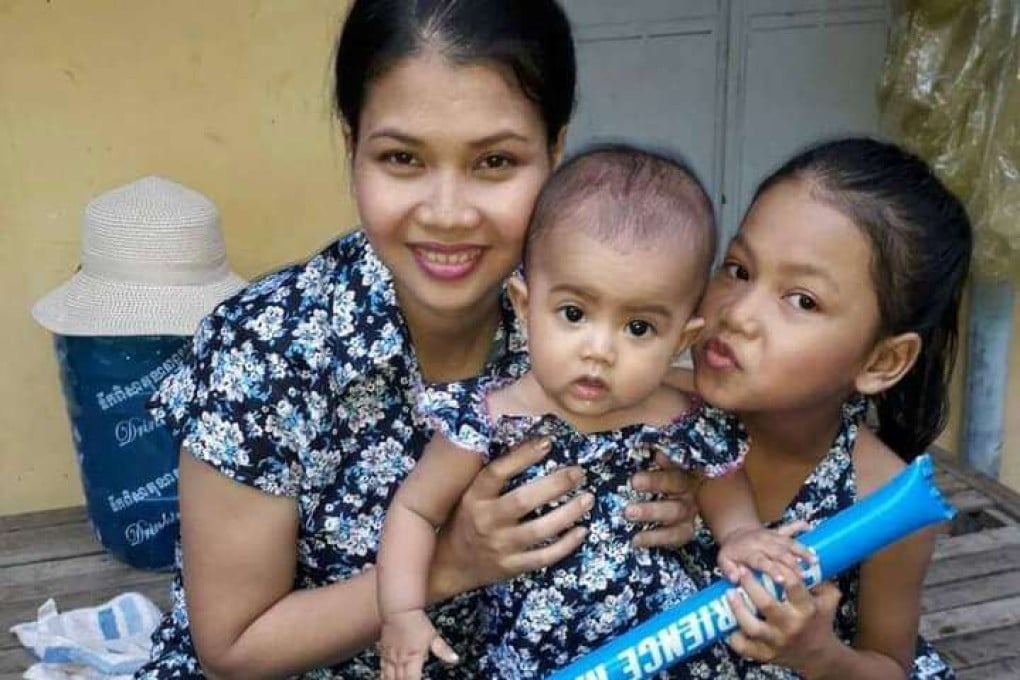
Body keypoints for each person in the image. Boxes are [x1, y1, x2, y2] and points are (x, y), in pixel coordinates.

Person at [136, 3, 699, 679]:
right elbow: (233, 650)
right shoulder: (264, 353)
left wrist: (682, 503)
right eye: (403, 158)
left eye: (494, 161)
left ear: (554, 152)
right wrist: (453, 563)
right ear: (352, 150)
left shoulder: (592, 323)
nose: (448, 214)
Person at [376, 146, 814, 680]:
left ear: (682, 337)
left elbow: (720, 486)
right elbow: (415, 512)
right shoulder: (486, 419)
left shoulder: (679, 418)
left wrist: (741, 534)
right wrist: (401, 612)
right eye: (574, 314)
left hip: (667, 650)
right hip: (537, 659)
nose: (599, 350)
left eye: (638, 328)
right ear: (523, 304)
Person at [680, 137, 969, 679]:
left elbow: (889, 666)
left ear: (883, 361)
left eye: (802, 300)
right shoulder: (653, 408)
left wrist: (817, 654)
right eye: (739, 269)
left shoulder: (883, 501)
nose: (738, 313)